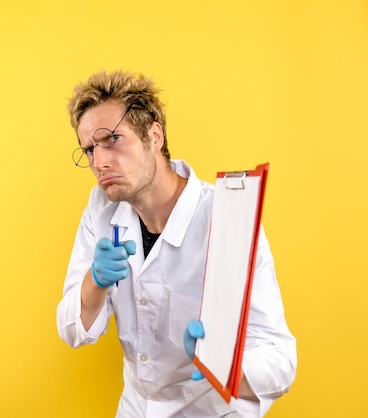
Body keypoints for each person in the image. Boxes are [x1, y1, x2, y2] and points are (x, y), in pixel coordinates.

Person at [56, 70, 297, 418]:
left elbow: (279, 359)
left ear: (154, 135)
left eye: (112, 139)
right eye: (90, 149)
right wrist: (95, 281)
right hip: (136, 408)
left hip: (209, 410)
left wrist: (221, 365)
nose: (100, 161)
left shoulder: (226, 218)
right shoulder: (101, 209)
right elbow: (72, 330)